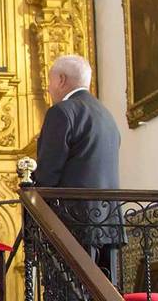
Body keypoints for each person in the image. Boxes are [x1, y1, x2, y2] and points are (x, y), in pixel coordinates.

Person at [34, 54, 122, 283]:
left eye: (50, 81)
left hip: (72, 227)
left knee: (68, 291)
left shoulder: (62, 112)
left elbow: (47, 175)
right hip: (108, 225)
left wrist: (29, 185)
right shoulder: (106, 116)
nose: (49, 88)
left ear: (61, 79)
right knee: (102, 291)